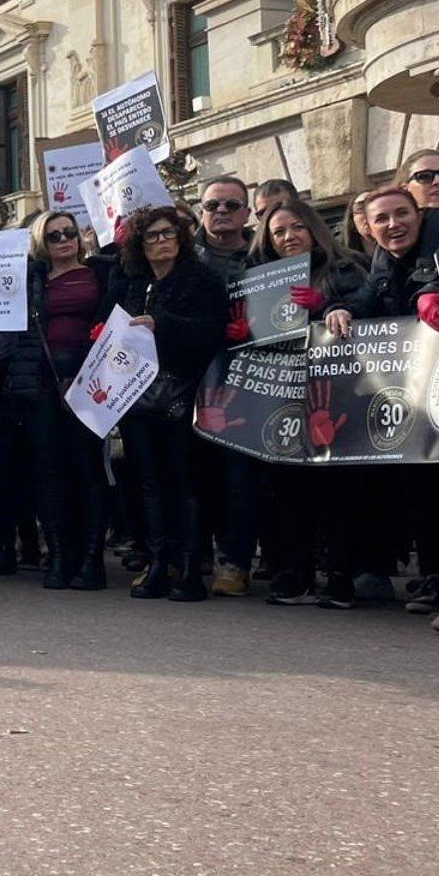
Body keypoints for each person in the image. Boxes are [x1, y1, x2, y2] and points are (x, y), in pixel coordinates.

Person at [325, 187, 439, 632]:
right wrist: (340, 309)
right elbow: (368, 298)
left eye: (401, 214)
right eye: (381, 219)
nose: (392, 225)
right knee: (430, 493)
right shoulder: (383, 259)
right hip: (422, 401)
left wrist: (432, 292)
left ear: (418, 215)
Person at [246, 200, 366, 606]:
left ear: (314, 228)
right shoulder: (261, 279)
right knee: (288, 490)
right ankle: (294, 573)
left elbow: (371, 312)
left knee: (337, 491)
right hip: (282, 394)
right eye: (278, 231)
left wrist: (330, 307)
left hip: (337, 393)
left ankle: (339, 576)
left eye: (296, 227)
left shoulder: (345, 268)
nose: (288, 237)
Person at [0, 208, 115, 589]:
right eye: (55, 235)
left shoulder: (101, 272)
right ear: (42, 241)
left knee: (88, 469)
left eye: (69, 232)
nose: (64, 240)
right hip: (41, 382)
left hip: (92, 381)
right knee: (50, 471)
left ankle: (92, 560)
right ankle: (60, 555)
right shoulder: (30, 278)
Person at [105, 205, 228, 601]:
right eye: (152, 236)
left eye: (167, 233)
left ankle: (190, 569)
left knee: (186, 482)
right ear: (139, 245)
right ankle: (159, 564)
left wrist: (162, 325)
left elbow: (212, 332)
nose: (161, 242)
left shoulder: (202, 280)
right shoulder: (133, 284)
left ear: (181, 238)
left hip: (184, 395)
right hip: (137, 397)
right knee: (150, 484)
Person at [189, 177, 258, 596]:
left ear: (247, 213)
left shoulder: (264, 256)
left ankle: (235, 563)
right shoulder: (183, 257)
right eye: (212, 204)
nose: (222, 211)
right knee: (196, 476)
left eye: (232, 205)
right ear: (201, 211)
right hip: (193, 380)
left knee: (240, 477)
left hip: (249, 383)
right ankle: (195, 557)